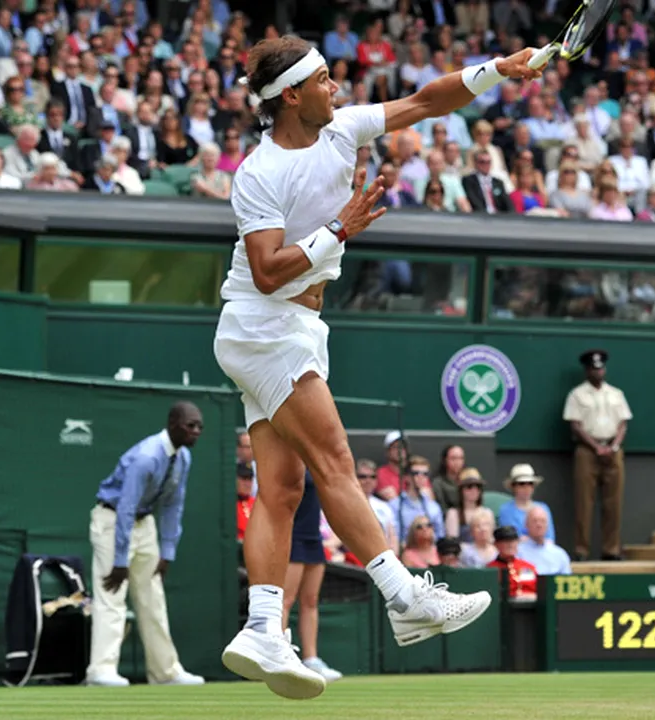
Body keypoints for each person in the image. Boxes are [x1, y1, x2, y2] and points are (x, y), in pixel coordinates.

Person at [216, 37, 541, 700]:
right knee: (336, 460)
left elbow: (427, 101)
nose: (338, 88)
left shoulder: (342, 129)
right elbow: (267, 270)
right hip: (263, 322)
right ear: (291, 96)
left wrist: (495, 71)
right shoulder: (258, 172)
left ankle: (259, 628)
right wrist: (337, 230)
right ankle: (404, 596)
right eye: (326, 79)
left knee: (282, 491)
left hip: (293, 327)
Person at [86, 402, 206, 687]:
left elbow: (173, 506)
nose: (197, 432)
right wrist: (119, 560)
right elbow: (126, 507)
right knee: (111, 596)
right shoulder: (146, 457)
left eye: (200, 427)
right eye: (191, 426)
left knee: (153, 598)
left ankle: (165, 672)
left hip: (145, 525)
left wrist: (167, 552)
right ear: (174, 423)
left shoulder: (183, 458)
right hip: (112, 522)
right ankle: (100, 671)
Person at [562, 349, 633, 561]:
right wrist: (596, 447)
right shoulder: (577, 394)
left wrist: (613, 446)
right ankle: (582, 549)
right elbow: (575, 425)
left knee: (614, 502)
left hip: (613, 450)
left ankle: (611, 549)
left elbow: (623, 423)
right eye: (594, 368)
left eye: (601, 368)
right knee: (584, 502)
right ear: (586, 370)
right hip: (587, 450)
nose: (598, 372)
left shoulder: (616, 393)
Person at [281, 471, 343, 683]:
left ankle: (311, 659)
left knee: (310, 600)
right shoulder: (289, 458)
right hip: (291, 535)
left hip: (313, 537)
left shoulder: (315, 457)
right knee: (286, 600)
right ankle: (280, 658)